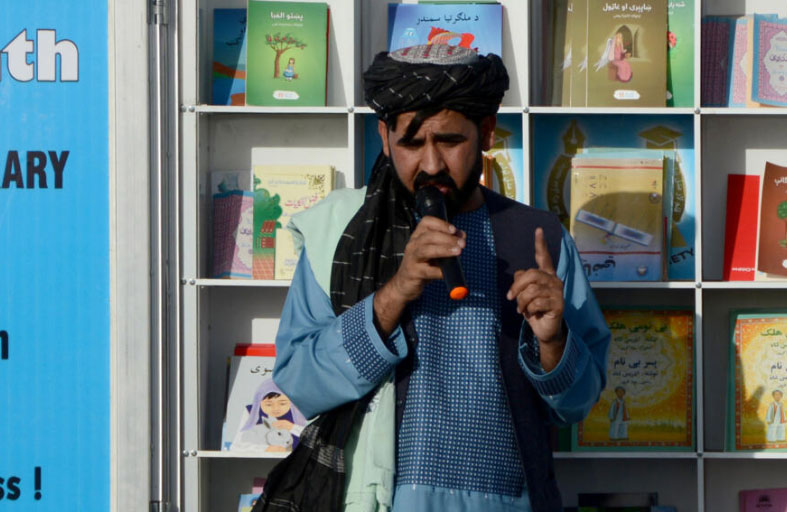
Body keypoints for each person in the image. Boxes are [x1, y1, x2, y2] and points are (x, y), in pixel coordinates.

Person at [260, 44, 610, 512]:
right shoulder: (339, 233)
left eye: (448, 141)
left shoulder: (538, 237)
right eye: (411, 144)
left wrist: (553, 342)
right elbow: (300, 382)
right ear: (385, 138)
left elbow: (579, 404)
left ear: (486, 132)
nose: (430, 165)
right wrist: (395, 292)